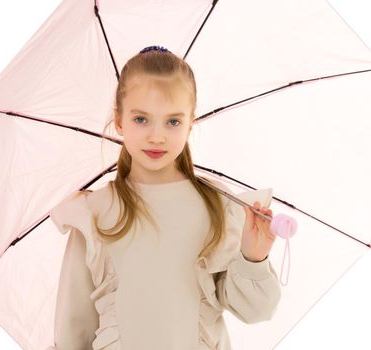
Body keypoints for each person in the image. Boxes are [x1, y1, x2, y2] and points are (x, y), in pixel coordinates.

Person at [48, 46, 282, 349]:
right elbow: (73, 326)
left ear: (190, 123)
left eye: (172, 121)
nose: (156, 136)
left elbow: (256, 311)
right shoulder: (95, 212)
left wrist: (254, 257)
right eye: (141, 119)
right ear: (118, 120)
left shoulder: (218, 205)